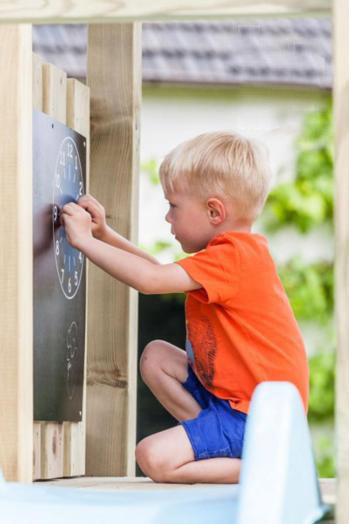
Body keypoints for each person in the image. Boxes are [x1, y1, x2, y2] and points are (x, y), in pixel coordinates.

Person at [61, 131, 309, 485]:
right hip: (232, 402)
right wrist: (105, 236)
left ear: (213, 211)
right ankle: (223, 449)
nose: (167, 218)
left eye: (173, 206)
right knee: (156, 357)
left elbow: (150, 281)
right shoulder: (231, 253)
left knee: (152, 457)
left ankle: (268, 468)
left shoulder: (234, 256)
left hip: (257, 417)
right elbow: (157, 272)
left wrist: (83, 242)